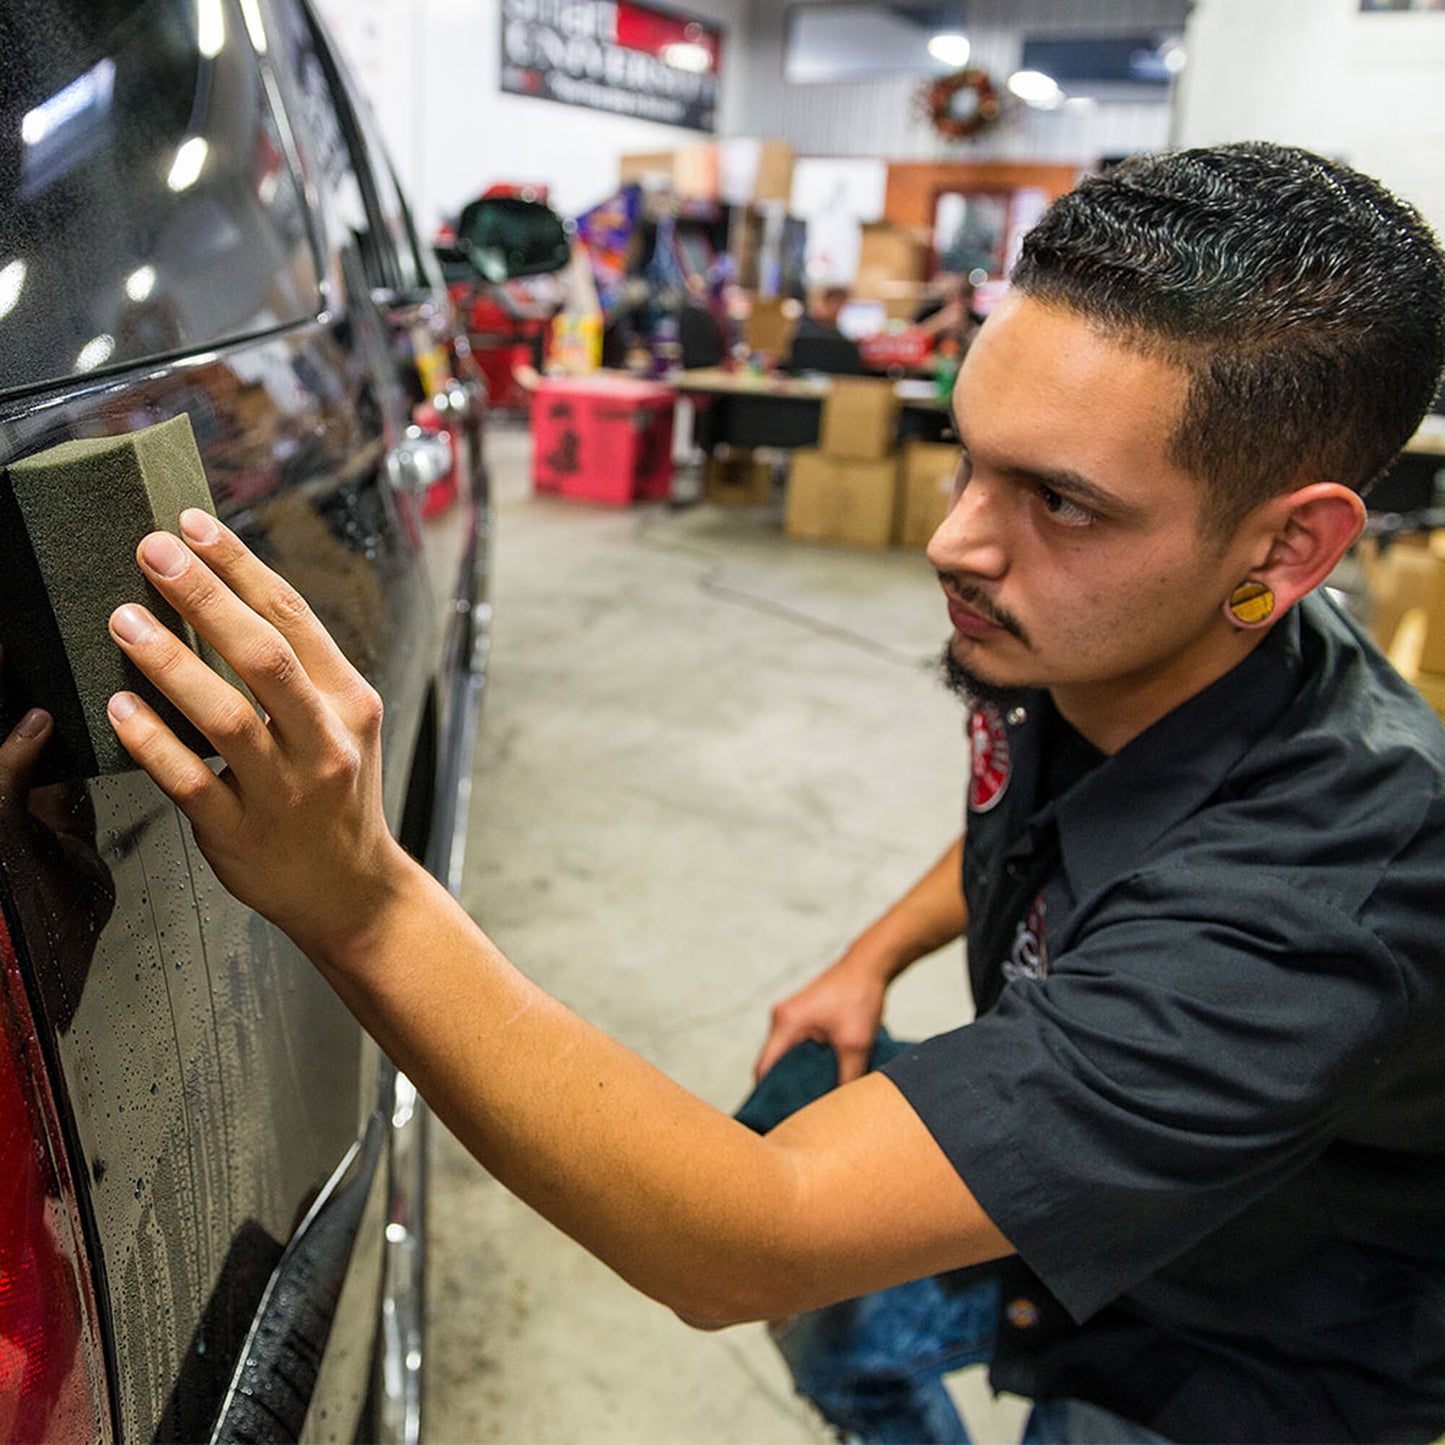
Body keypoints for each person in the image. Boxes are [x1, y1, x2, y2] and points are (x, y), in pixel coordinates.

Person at [88, 142, 1445, 1443]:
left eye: (1060, 501)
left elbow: (748, 1237)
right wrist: (873, 954)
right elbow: (1052, 816)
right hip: (1113, 1153)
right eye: (966, 454)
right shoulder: (1147, 628)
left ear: (1289, 542)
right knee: (840, 1312)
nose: (953, 539)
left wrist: (366, 901)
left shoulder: (1318, 909)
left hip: (1244, 1343)